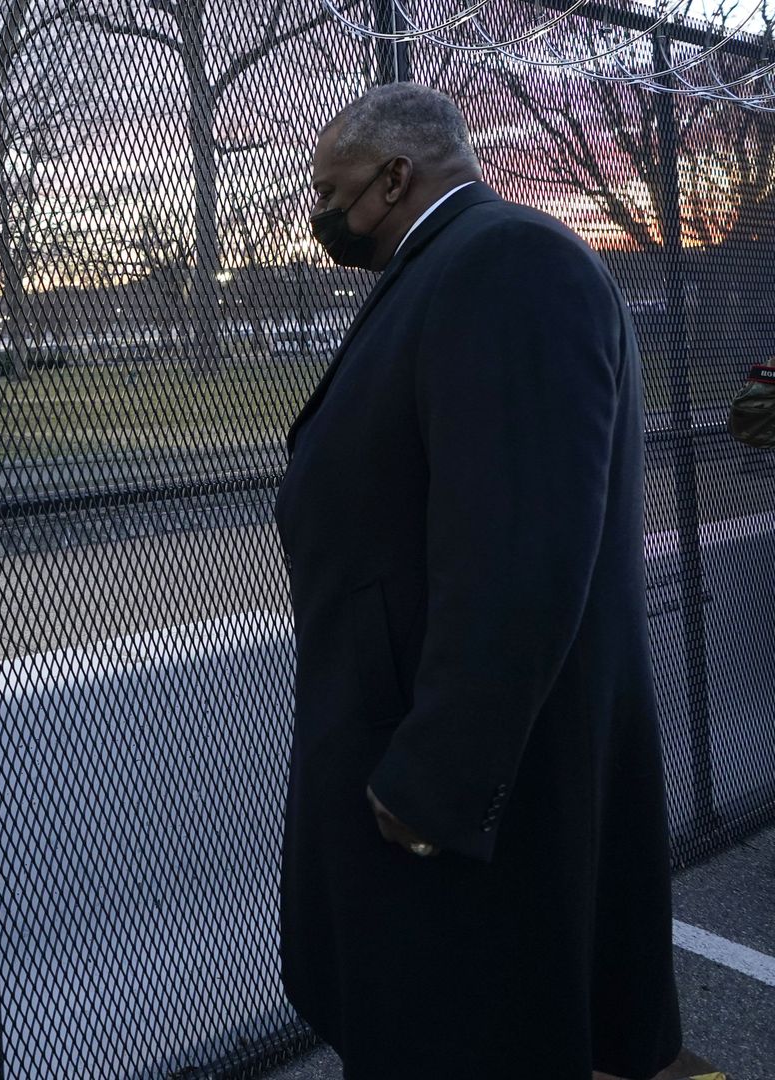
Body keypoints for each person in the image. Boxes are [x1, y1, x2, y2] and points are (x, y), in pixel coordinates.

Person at [277, 83, 714, 1080]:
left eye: (329, 189)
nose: (318, 212)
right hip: (419, 729)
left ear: (397, 175)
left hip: (464, 775)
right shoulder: (449, 266)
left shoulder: (506, 263)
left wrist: (440, 775)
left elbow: (518, 546)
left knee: (471, 1025)